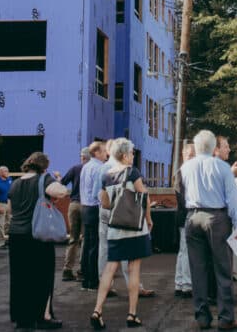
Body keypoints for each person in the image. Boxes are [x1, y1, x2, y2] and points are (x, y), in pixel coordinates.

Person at [180, 130, 237, 331]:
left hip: (193, 216)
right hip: (217, 217)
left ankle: (202, 316)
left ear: (197, 146)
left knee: (198, 269)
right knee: (223, 268)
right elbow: (232, 198)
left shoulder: (185, 168)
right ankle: (225, 318)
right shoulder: (222, 167)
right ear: (213, 146)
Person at [90, 138, 153, 330]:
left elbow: (105, 202)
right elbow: (144, 197)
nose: (133, 155)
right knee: (134, 268)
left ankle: (97, 310)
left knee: (110, 269)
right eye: (132, 153)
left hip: (115, 228)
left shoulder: (106, 175)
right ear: (125, 155)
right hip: (134, 227)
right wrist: (149, 219)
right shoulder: (132, 172)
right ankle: (132, 314)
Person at [8, 151, 68, 330]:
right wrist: (57, 180)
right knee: (42, 277)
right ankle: (42, 317)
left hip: (16, 234)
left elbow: (11, 209)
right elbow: (61, 191)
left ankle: (22, 320)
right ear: (44, 166)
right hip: (37, 235)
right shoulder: (44, 179)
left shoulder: (16, 183)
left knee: (20, 278)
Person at [80, 140, 108, 291]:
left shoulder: (86, 166)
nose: (106, 153)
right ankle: (92, 281)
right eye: (104, 151)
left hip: (85, 207)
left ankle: (86, 279)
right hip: (94, 207)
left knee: (87, 245)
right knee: (95, 246)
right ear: (96, 152)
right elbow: (99, 192)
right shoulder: (99, 168)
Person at [60, 151, 87, 280]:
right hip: (87, 205)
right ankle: (83, 270)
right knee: (86, 239)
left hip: (74, 204)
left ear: (82, 157)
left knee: (73, 238)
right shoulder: (93, 168)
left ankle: (67, 269)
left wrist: (58, 176)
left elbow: (62, 183)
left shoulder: (75, 168)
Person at [174, 143, 196, 298]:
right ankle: (185, 284)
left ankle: (180, 283)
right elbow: (182, 197)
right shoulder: (182, 173)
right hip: (186, 215)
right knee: (186, 251)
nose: (193, 158)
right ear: (183, 155)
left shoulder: (183, 172)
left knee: (183, 251)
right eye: (190, 155)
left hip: (184, 215)